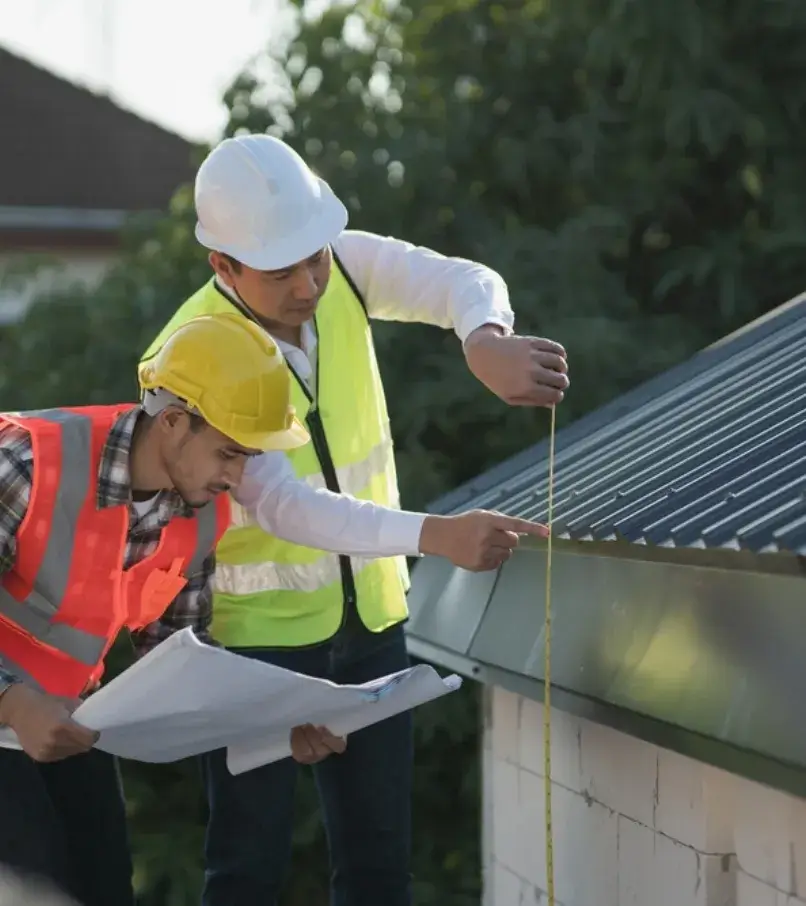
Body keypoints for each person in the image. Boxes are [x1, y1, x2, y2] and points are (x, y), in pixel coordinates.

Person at [140, 133, 570, 906]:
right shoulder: (189, 356)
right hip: (254, 648)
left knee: (379, 871)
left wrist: (484, 339)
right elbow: (282, 503)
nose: (310, 283)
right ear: (224, 268)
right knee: (246, 871)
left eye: (316, 258)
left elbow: (462, 281)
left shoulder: (338, 265)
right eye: (283, 272)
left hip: (372, 624)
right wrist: (433, 535)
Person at [0, 311, 545, 906]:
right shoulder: (28, 464)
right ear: (176, 423)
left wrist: (272, 726)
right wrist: (12, 699)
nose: (237, 477)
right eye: (230, 454)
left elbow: (176, 670)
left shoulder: (200, 515)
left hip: (63, 729)